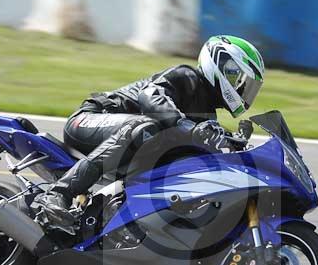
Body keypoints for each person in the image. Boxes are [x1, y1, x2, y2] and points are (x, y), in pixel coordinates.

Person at [36, 35, 265, 229]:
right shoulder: (187, 77)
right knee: (144, 128)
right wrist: (188, 127)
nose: (242, 89)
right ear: (221, 65)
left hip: (121, 142)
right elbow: (150, 97)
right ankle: (58, 193)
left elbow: (196, 143)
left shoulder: (207, 116)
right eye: (239, 80)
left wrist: (231, 143)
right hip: (90, 119)